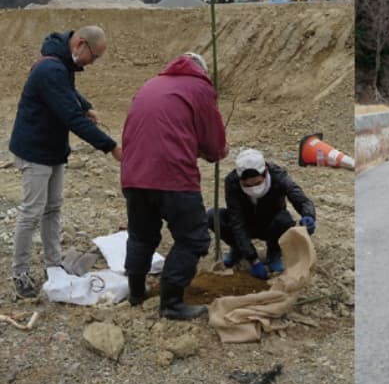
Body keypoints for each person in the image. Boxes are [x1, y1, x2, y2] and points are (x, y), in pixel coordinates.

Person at [9, 26, 122, 299]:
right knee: (32, 212)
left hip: (52, 148)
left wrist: (86, 105)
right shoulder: (51, 69)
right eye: (94, 56)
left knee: (53, 207)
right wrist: (110, 146)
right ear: (80, 44)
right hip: (34, 150)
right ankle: (20, 272)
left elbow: (68, 93)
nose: (92, 62)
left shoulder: (62, 64)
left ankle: (53, 263)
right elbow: (72, 117)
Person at [121, 52, 227, 320]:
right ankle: (171, 303)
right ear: (202, 71)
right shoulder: (200, 87)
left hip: (134, 174)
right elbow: (213, 141)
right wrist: (217, 152)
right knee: (193, 237)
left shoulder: (151, 84)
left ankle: (136, 292)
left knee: (141, 234)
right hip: (172, 174)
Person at [208, 148, 316, 280]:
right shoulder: (232, 182)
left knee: (285, 220)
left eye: (258, 183)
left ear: (265, 171)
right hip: (246, 223)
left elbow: (301, 199)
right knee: (213, 216)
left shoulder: (278, 176)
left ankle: (274, 252)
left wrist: (308, 215)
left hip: (270, 223)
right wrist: (253, 260)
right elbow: (237, 221)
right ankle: (238, 249)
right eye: (247, 185)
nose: (253, 188)